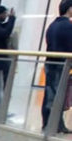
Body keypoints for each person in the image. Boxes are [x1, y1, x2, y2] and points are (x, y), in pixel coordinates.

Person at [42, 0, 72, 133]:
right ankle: (53, 124)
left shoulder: (52, 25)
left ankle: (51, 123)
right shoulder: (68, 26)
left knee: (50, 93)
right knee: (56, 95)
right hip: (61, 65)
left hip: (50, 63)